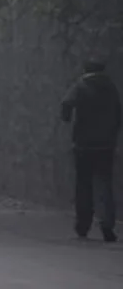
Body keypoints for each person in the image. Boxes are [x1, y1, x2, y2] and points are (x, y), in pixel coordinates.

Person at [60, 58, 121, 242]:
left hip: (83, 144)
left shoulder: (80, 85)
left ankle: (83, 224)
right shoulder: (111, 88)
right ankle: (107, 225)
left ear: (86, 70)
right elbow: (119, 113)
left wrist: (68, 119)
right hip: (106, 144)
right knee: (104, 183)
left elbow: (66, 104)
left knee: (83, 184)